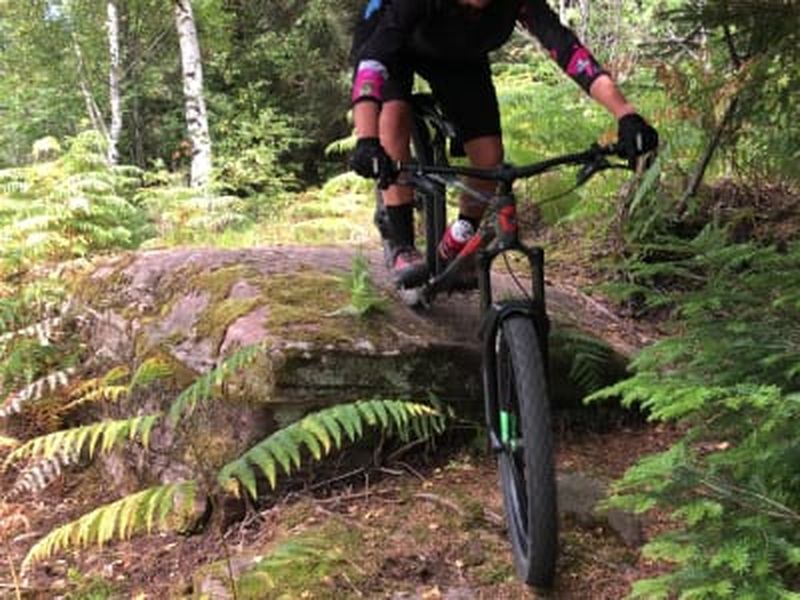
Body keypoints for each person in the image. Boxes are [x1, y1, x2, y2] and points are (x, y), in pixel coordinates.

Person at [348, 0, 658, 287]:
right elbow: (373, 63)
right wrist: (365, 140)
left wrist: (626, 114)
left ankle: (460, 238)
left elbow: (568, 50)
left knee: (489, 159)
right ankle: (401, 242)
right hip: (391, 43)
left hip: (458, 52)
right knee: (393, 118)